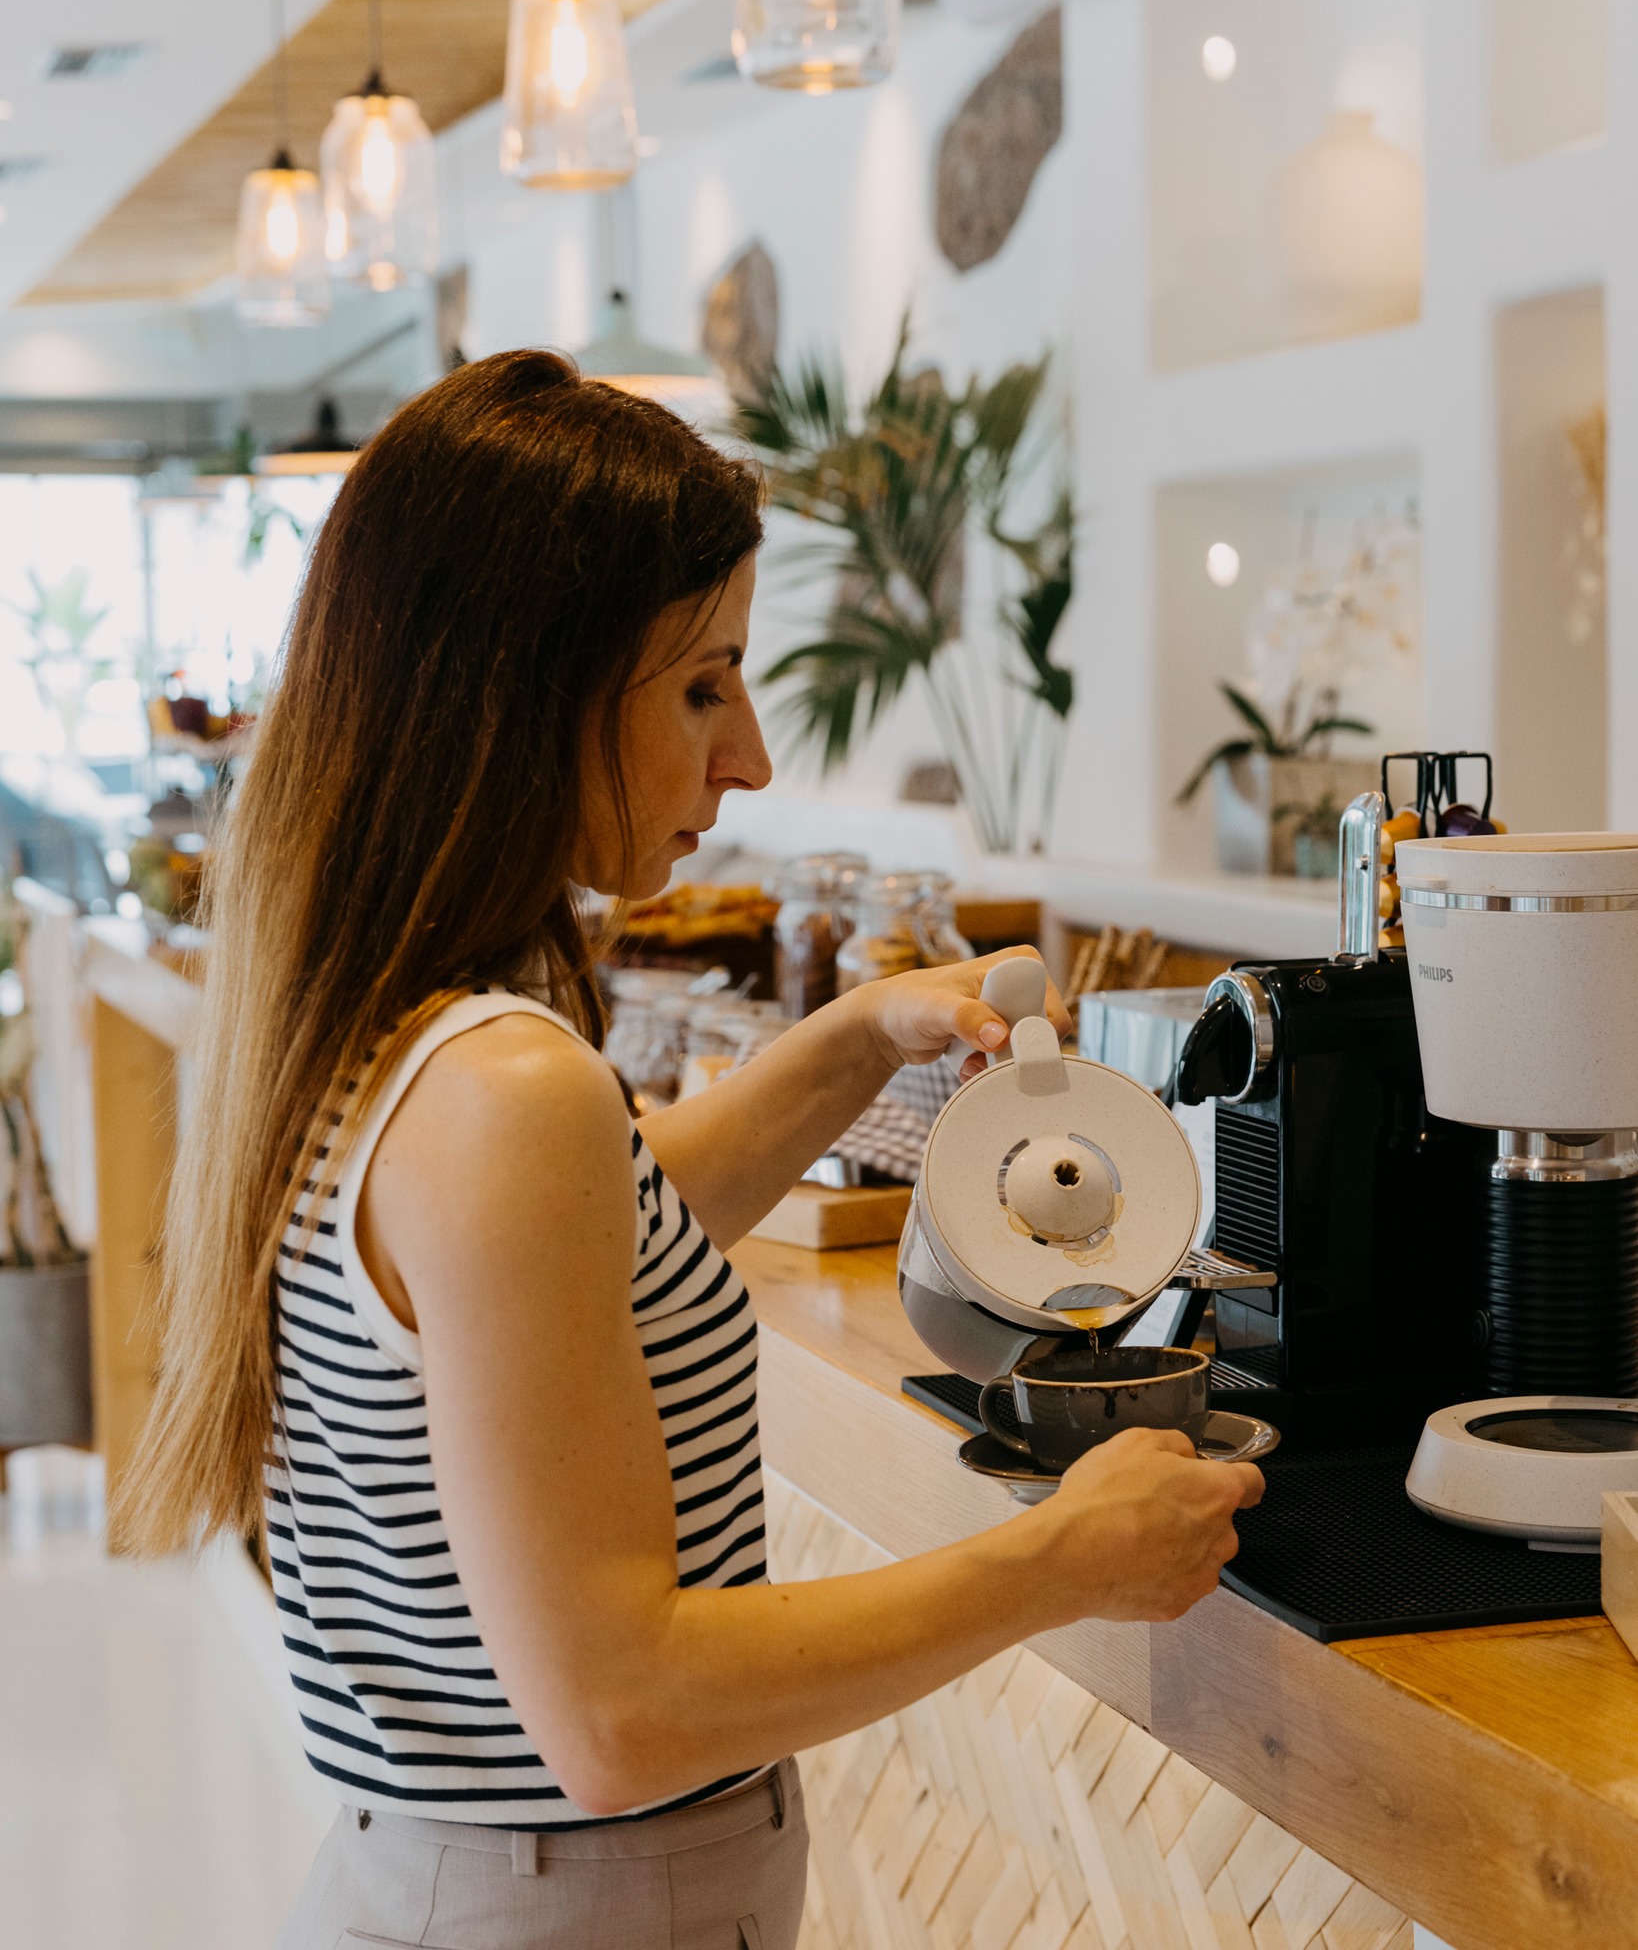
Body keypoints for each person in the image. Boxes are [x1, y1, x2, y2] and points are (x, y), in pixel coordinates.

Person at [114, 351, 1261, 1950]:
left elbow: (603, 1245)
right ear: (526, 689)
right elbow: (621, 1714)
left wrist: (858, 1037)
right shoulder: (505, 1092)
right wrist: (1056, 1561)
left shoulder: (361, 1028)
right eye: (704, 687)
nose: (750, 758)